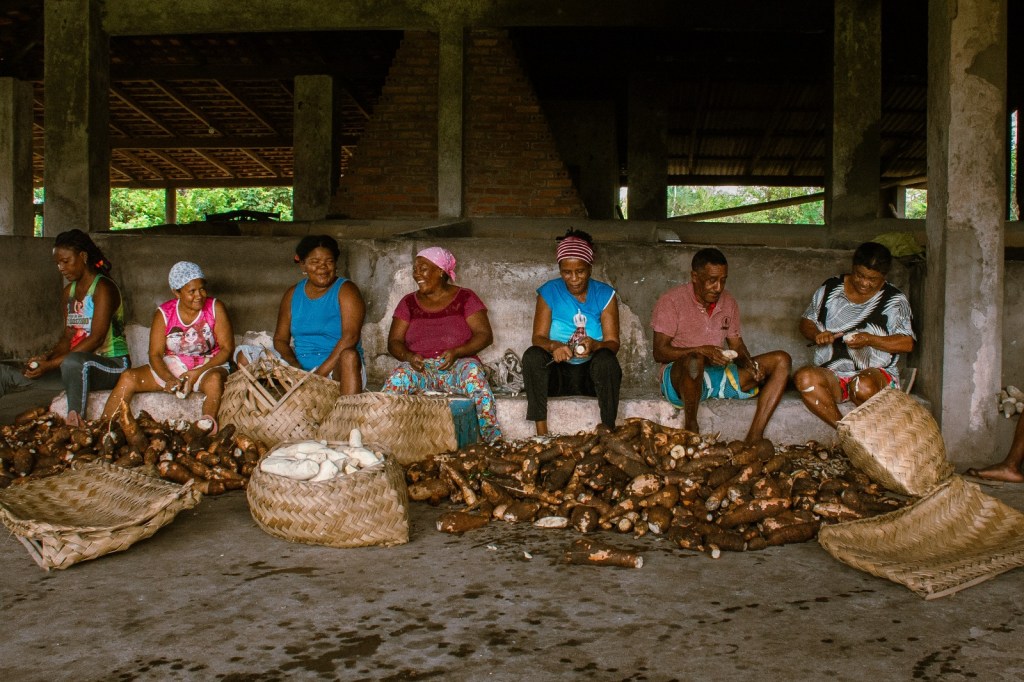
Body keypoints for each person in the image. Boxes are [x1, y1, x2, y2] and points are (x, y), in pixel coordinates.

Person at [651, 247, 791, 444]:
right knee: (694, 361)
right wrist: (700, 351)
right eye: (711, 280)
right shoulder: (671, 301)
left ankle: (754, 436)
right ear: (694, 276)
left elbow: (737, 345)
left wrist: (749, 363)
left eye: (723, 280)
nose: (718, 288)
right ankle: (691, 428)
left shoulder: (729, 303)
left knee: (781, 360)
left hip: (718, 374)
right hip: (681, 378)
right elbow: (659, 352)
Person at [382, 246, 502, 442]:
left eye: (423, 268)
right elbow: (394, 342)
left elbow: (484, 335)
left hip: (457, 365)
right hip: (419, 369)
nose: (417, 274)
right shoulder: (408, 302)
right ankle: (384, 438)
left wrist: (457, 352)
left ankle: (493, 438)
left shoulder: (465, 298)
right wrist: (409, 357)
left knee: (475, 379)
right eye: (415, 269)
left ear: (440, 271)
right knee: (396, 381)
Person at [794, 241, 915, 427]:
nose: (864, 283)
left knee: (862, 385)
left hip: (875, 377)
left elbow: (907, 343)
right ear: (852, 267)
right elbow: (806, 322)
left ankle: (874, 435)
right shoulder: (831, 288)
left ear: (884, 276)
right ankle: (845, 432)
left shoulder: (895, 300)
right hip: (833, 374)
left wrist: (870, 339)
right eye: (860, 275)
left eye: (872, 279)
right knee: (805, 378)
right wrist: (817, 334)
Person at [100, 262, 234, 429]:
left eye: (202, 289)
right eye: (191, 291)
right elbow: (155, 354)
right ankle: (103, 427)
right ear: (176, 292)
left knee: (214, 381)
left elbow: (227, 349)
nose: (199, 295)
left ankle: (206, 430)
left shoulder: (215, 308)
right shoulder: (164, 313)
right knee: (128, 377)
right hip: (174, 365)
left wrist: (196, 373)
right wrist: (168, 379)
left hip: (209, 364)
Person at [23, 229, 129, 426]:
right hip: (76, 365)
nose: (61, 268)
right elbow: (67, 338)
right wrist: (46, 358)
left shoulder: (103, 288)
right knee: (15, 375)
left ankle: (75, 422)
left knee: (72, 362)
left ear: (83, 256)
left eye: (65, 261)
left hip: (113, 365)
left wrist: (54, 364)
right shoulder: (68, 293)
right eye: (57, 263)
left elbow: (96, 338)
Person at [236, 235, 365, 394]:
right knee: (245, 355)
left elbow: (350, 337)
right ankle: (254, 413)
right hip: (301, 366)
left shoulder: (346, 290)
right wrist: (296, 367)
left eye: (329, 261)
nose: (322, 268)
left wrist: (318, 375)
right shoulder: (292, 294)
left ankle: (348, 414)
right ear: (303, 265)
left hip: (336, 367)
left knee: (349, 356)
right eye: (314, 262)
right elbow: (281, 339)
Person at [522, 229, 622, 435]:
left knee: (606, 359)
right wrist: (554, 346)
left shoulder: (605, 294)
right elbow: (537, 337)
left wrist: (595, 345)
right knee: (532, 356)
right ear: (560, 270)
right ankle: (541, 432)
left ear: (590, 268)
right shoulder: (549, 291)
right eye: (567, 272)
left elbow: (613, 343)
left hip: (591, 378)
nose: (574, 278)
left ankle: (608, 428)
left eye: (581, 271)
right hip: (557, 376)